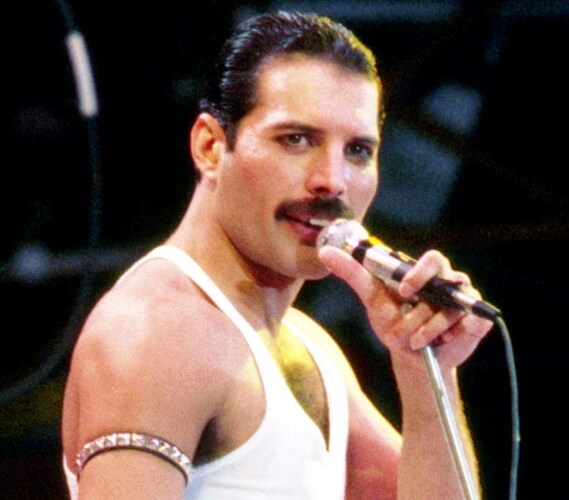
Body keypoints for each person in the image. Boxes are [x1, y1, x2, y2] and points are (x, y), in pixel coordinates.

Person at [61, 11, 493, 499]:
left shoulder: (310, 347)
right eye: (296, 139)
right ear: (209, 147)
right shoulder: (158, 331)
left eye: (357, 150)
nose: (332, 180)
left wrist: (426, 366)